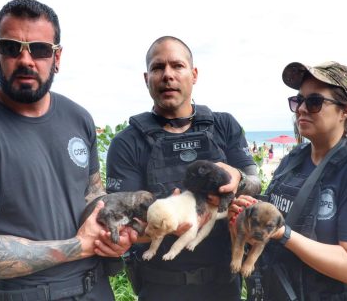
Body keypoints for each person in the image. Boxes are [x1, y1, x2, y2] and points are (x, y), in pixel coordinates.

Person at [0, 0, 133, 301]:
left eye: (41, 49)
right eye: (11, 47)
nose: (26, 59)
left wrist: (114, 233)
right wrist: (80, 245)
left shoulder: (79, 118)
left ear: (57, 57)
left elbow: (93, 197)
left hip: (94, 288)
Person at [105, 36, 262, 301]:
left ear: (194, 74)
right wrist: (169, 225)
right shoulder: (127, 143)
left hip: (223, 286)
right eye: (158, 68)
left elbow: (255, 184)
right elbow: (123, 226)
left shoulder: (224, 126)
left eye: (177, 66)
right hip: (159, 288)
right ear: (146, 78)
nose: (168, 75)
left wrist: (238, 179)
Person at [231, 61, 347, 300]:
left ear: (345, 110)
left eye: (315, 101)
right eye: (298, 100)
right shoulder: (292, 161)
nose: (301, 109)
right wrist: (248, 215)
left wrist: (283, 234)